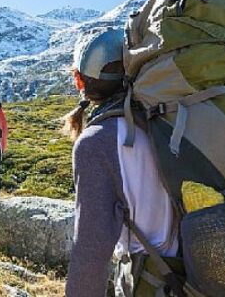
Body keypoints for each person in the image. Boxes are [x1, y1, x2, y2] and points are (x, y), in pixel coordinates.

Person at [64, 29, 178, 297]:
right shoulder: (171, 119)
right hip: (208, 270)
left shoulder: (97, 142)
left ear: (79, 80)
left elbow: (91, 251)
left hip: (153, 280)